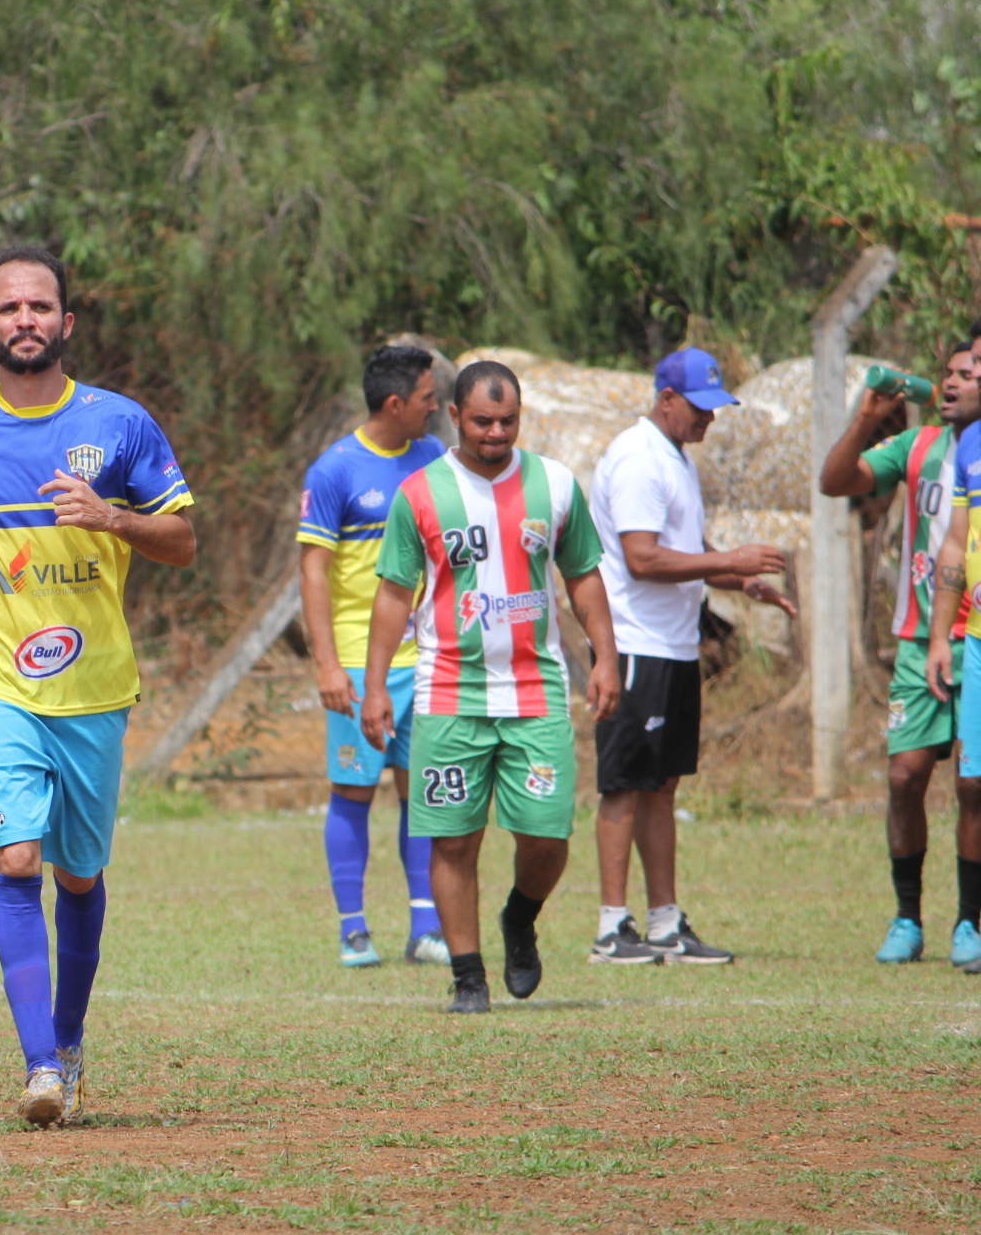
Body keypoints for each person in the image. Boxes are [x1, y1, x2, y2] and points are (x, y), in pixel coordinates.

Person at [0, 247, 196, 1124]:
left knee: (80, 878)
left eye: (40, 306)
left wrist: (114, 516)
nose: (26, 319)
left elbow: (183, 541)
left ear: (66, 323)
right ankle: (40, 1068)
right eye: (9, 308)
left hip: (94, 685)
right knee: (16, 854)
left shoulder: (122, 425)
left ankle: (70, 1037)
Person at [361, 360, 621, 1014]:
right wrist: (374, 686)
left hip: (536, 691)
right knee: (452, 840)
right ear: (455, 416)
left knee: (547, 836)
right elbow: (394, 596)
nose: (497, 432)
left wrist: (606, 656)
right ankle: (468, 975)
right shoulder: (420, 494)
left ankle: (520, 917)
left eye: (508, 420)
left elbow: (584, 577)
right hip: (449, 691)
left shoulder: (556, 486)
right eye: (483, 420)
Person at [588, 348, 798, 967]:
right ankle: (610, 927)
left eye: (716, 407)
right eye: (700, 408)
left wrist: (739, 581)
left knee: (663, 783)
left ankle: (664, 923)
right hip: (634, 643)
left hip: (674, 645)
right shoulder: (635, 457)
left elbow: (686, 547)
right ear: (666, 399)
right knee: (626, 783)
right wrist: (728, 562)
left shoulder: (674, 458)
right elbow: (643, 559)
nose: (710, 419)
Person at [826, 338, 981, 965]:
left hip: (974, 636)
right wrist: (867, 416)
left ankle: (968, 923)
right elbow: (836, 481)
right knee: (905, 774)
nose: (949, 383)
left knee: (974, 789)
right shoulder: (918, 448)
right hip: (922, 639)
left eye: (965, 374)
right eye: (945, 373)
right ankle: (907, 917)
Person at [297, 346, 449, 968]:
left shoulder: (435, 460)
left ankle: (427, 929)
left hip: (430, 660)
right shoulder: (333, 470)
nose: (436, 407)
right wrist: (328, 667)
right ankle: (354, 929)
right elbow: (313, 573)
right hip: (360, 665)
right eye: (428, 398)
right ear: (396, 404)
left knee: (424, 794)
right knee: (354, 794)